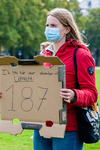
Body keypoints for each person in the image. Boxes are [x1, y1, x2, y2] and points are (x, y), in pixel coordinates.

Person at [33, 8, 98, 150]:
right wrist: (10, 94)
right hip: (41, 126)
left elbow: (92, 94)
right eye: (47, 25)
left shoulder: (80, 55)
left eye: (54, 26)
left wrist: (74, 95)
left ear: (67, 29)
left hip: (68, 129)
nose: (48, 29)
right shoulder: (44, 55)